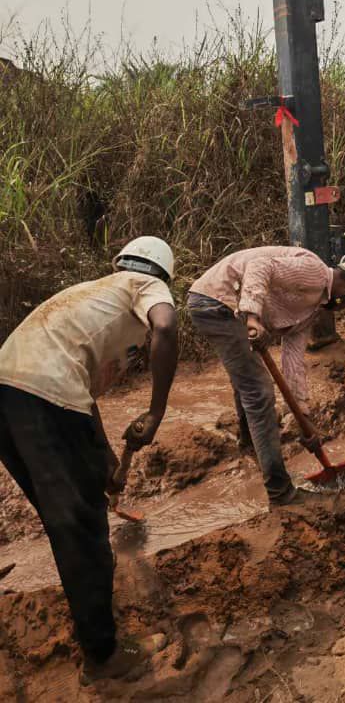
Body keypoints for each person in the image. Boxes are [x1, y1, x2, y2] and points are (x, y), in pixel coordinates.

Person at [0, 236, 178, 685]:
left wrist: (106, 461)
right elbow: (167, 328)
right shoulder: (145, 286)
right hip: (45, 395)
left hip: (9, 394)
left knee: (68, 523)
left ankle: (93, 621)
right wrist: (156, 411)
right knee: (84, 529)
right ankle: (104, 656)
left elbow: (86, 403)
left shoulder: (94, 298)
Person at [187, 247, 345, 506]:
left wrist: (302, 413)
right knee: (259, 392)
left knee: (247, 380)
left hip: (218, 302)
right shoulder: (315, 272)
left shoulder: (311, 309)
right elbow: (259, 266)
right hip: (219, 301)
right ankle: (281, 492)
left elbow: (293, 357)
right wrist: (253, 316)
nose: (344, 308)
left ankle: (250, 446)